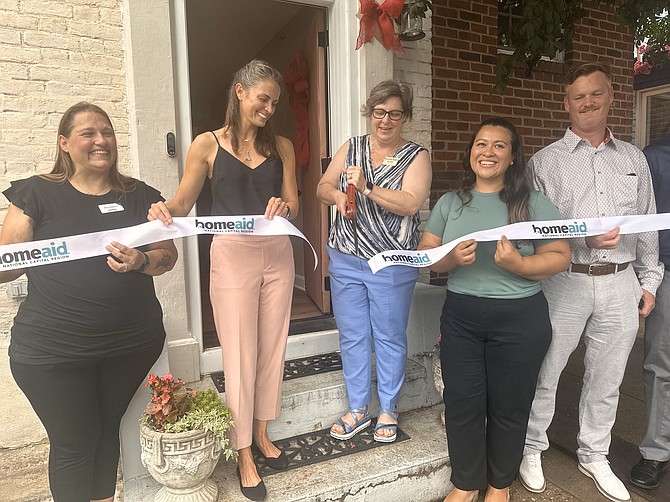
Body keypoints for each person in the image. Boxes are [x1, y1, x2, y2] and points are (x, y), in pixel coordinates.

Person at [0, 102, 177, 502]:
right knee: (75, 443)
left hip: (131, 346)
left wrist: (142, 260)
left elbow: (167, 257)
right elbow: (6, 265)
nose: (101, 140)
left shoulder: (141, 196)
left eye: (108, 132)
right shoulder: (35, 193)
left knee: (105, 428)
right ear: (64, 143)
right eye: (88, 133)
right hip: (53, 353)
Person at [148, 59, 298, 501]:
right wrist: (161, 210)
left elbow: (291, 199)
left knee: (273, 346)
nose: (269, 108)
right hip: (232, 254)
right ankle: (244, 450)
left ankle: (263, 430)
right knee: (239, 352)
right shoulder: (206, 145)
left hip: (278, 252)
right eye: (262, 98)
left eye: (274, 101)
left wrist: (283, 207)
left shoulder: (284, 146)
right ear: (240, 92)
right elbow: (181, 203)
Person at [518, 62, 664, 502]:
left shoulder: (634, 159)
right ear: (566, 103)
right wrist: (581, 235)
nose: (587, 103)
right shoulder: (544, 162)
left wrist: (650, 280)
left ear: (611, 97)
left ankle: (594, 453)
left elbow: (647, 223)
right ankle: (531, 447)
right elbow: (531, 228)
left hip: (621, 282)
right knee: (546, 369)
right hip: (565, 281)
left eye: (595, 94)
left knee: (608, 377)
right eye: (578, 96)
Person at [418, 118, 570, 502]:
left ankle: (499, 485)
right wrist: (448, 259)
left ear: (513, 155)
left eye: (499, 145)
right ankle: (466, 483)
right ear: (471, 152)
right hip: (462, 318)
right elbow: (426, 256)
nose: (488, 152)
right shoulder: (450, 202)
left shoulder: (534, 203)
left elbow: (561, 256)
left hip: (520, 320)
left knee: (510, 405)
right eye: (481, 144)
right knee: (462, 401)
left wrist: (520, 266)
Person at [316, 80, 432, 444]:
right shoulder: (351, 146)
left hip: (391, 261)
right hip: (346, 256)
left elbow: (411, 203)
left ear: (405, 117)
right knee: (352, 335)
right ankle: (358, 409)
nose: (385, 120)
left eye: (394, 114)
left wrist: (366, 188)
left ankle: (389, 408)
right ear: (370, 112)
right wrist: (336, 195)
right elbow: (321, 186)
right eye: (379, 112)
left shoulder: (417, 156)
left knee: (388, 336)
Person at [629, 132, 670, 490]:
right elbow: (642, 221)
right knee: (660, 364)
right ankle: (656, 451)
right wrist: (647, 277)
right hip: (668, 271)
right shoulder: (655, 157)